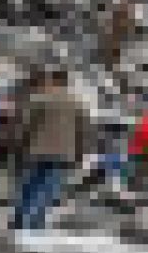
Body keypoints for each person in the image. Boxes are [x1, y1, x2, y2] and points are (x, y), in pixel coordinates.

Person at [9, 69, 93, 230]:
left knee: (32, 182)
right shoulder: (76, 102)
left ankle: (21, 215)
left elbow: (26, 123)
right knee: (50, 185)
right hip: (64, 150)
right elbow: (84, 130)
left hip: (38, 148)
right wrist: (81, 151)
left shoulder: (40, 99)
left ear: (53, 81)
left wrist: (20, 142)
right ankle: (36, 219)